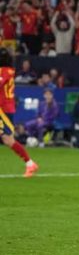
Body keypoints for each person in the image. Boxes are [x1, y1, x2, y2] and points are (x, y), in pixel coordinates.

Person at [0, 48, 38, 176]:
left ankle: (30, 163)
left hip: (3, 110)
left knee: (8, 140)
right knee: (7, 139)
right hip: (4, 108)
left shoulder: (5, 71)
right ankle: (30, 164)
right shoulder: (9, 71)